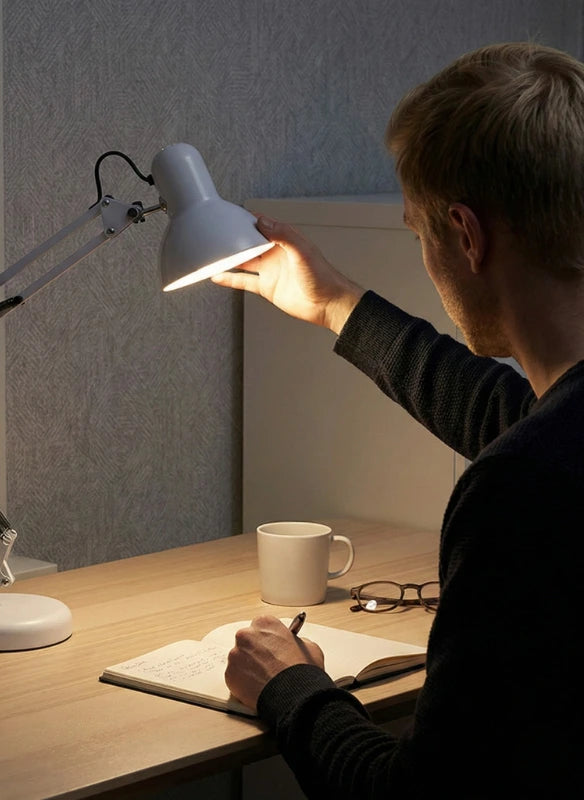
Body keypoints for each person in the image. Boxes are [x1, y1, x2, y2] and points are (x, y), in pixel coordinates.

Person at [211, 42, 584, 798]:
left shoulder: (522, 488)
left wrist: (290, 687)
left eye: (418, 234)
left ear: (467, 236)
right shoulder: (554, 448)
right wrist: (335, 304)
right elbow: (513, 416)